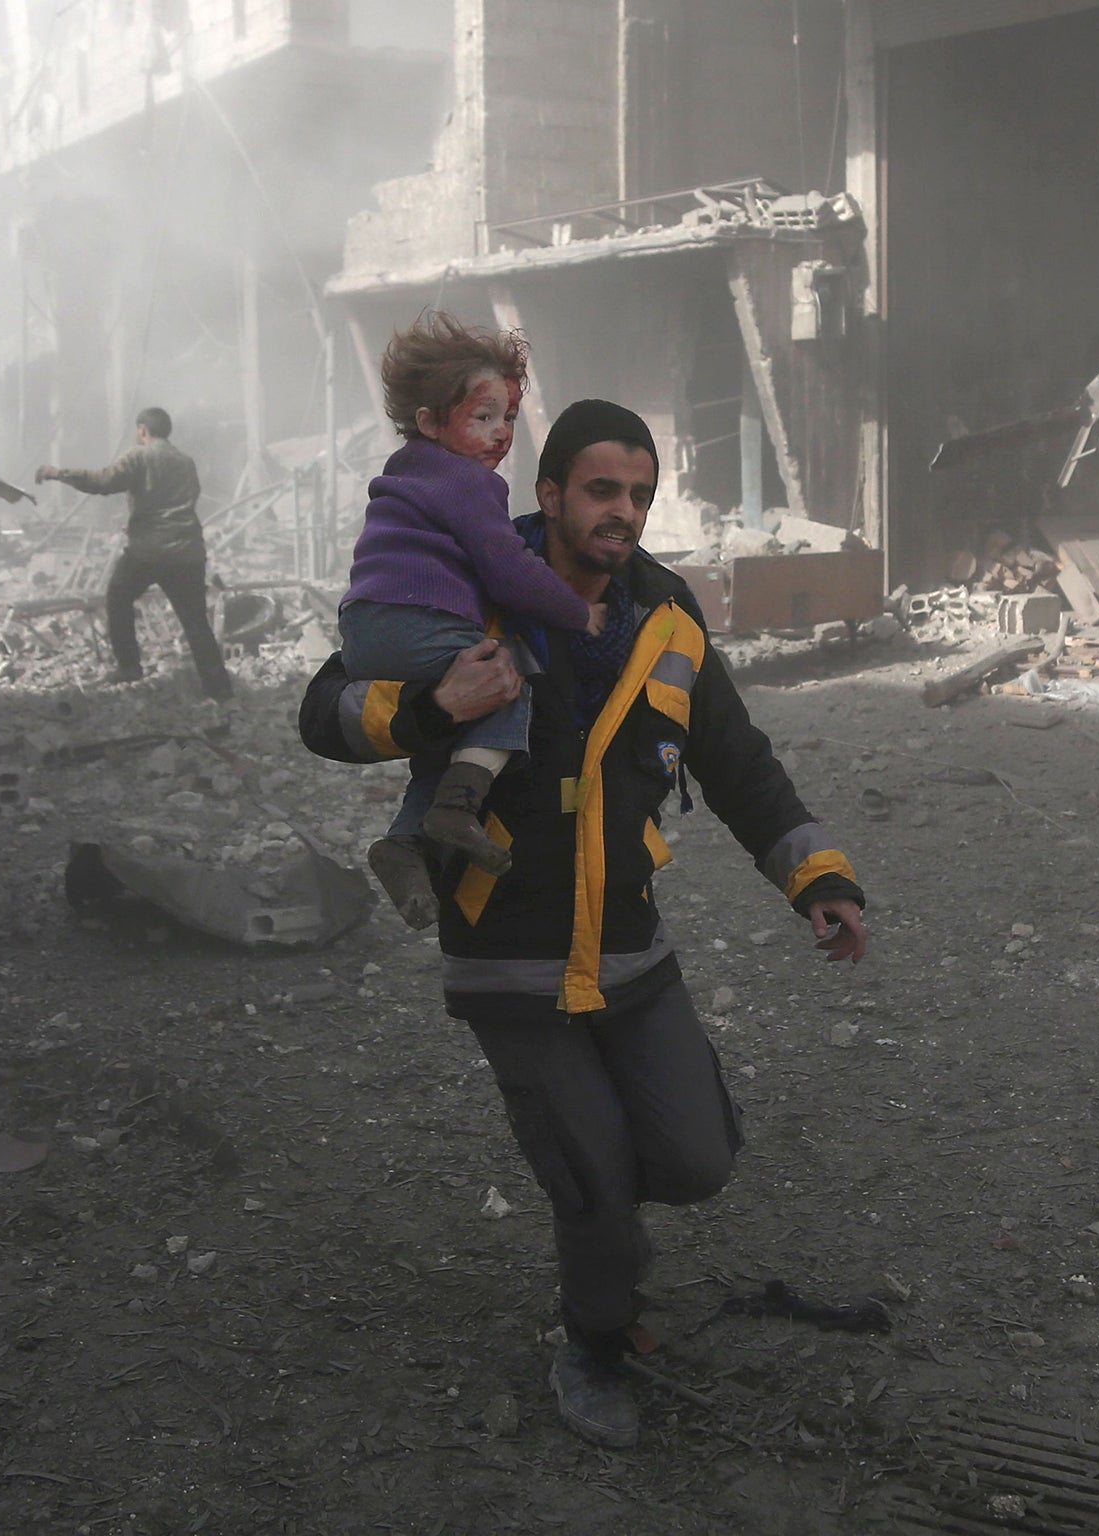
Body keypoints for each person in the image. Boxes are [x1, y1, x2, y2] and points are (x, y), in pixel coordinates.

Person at [298, 398, 869, 1450]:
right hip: (506, 954)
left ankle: (601, 1212)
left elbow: (736, 762)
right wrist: (429, 711)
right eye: (601, 489)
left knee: (694, 1160)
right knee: (593, 1179)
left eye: (639, 495)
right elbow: (322, 708)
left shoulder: (666, 617)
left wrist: (816, 877)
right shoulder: (467, 589)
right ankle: (593, 1339)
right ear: (548, 493)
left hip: (626, 944)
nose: (622, 512)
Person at [341, 312, 606, 928]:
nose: (500, 433)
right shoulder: (465, 483)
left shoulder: (408, 472)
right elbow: (509, 570)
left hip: (367, 629)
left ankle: (404, 844)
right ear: (431, 423)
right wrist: (577, 611)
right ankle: (457, 809)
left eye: (508, 416)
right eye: (482, 417)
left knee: (457, 734)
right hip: (417, 620)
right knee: (505, 678)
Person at [35, 408, 234, 701]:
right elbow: (188, 498)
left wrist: (58, 473)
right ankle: (219, 689)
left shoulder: (139, 456)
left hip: (149, 550)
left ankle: (129, 666)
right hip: (187, 551)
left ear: (142, 430)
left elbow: (103, 482)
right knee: (195, 621)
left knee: (118, 595)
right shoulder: (185, 461)